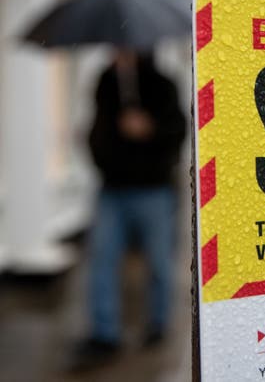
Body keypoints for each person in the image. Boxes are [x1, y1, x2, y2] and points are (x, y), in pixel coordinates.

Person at [74, 49, 186, 368]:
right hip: (112, 189)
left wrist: (149, 130)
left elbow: (177, 133)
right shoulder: (106, 83)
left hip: (154, 191)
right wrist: (104, 152)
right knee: (102, 258)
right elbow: (98, 130)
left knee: (160, 262)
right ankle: (104, 333)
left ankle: (158, 324)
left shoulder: (162, 84)